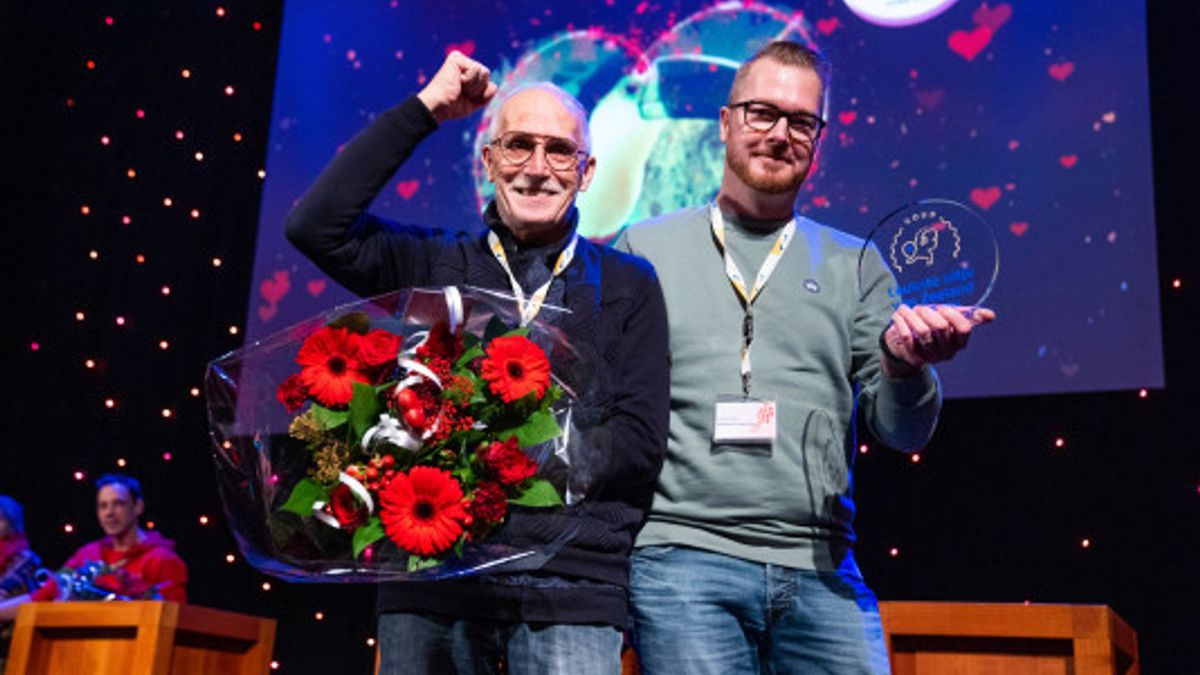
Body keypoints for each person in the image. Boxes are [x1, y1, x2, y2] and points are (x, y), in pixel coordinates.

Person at [614, 41, 996, 674]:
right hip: (681, 562)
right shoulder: (642, 251)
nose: (779, 134)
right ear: (726, 122)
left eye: (800, 121)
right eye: (761, 113)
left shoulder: (858, 265)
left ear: (819, 138)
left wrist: (905, 367)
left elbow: (904, 431)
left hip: (822, 569)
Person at [285, 51, 669, 674]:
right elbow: (315, 226)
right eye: (517, 146)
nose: (538, 170)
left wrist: (521, 457)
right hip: (434, 581)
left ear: (588, 170)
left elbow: (641, 439)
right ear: (488, 161)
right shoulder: (432, 265)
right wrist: (426, 110)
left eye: (559, 151)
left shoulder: (629, 285)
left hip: (568, 590)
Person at [0, 474, 188, 621]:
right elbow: (43, 597)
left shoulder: (162, 559)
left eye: (118, 504)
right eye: (103, 506)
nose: (109, 513)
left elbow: (173, 620)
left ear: (138, 506)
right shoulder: (88, 554)